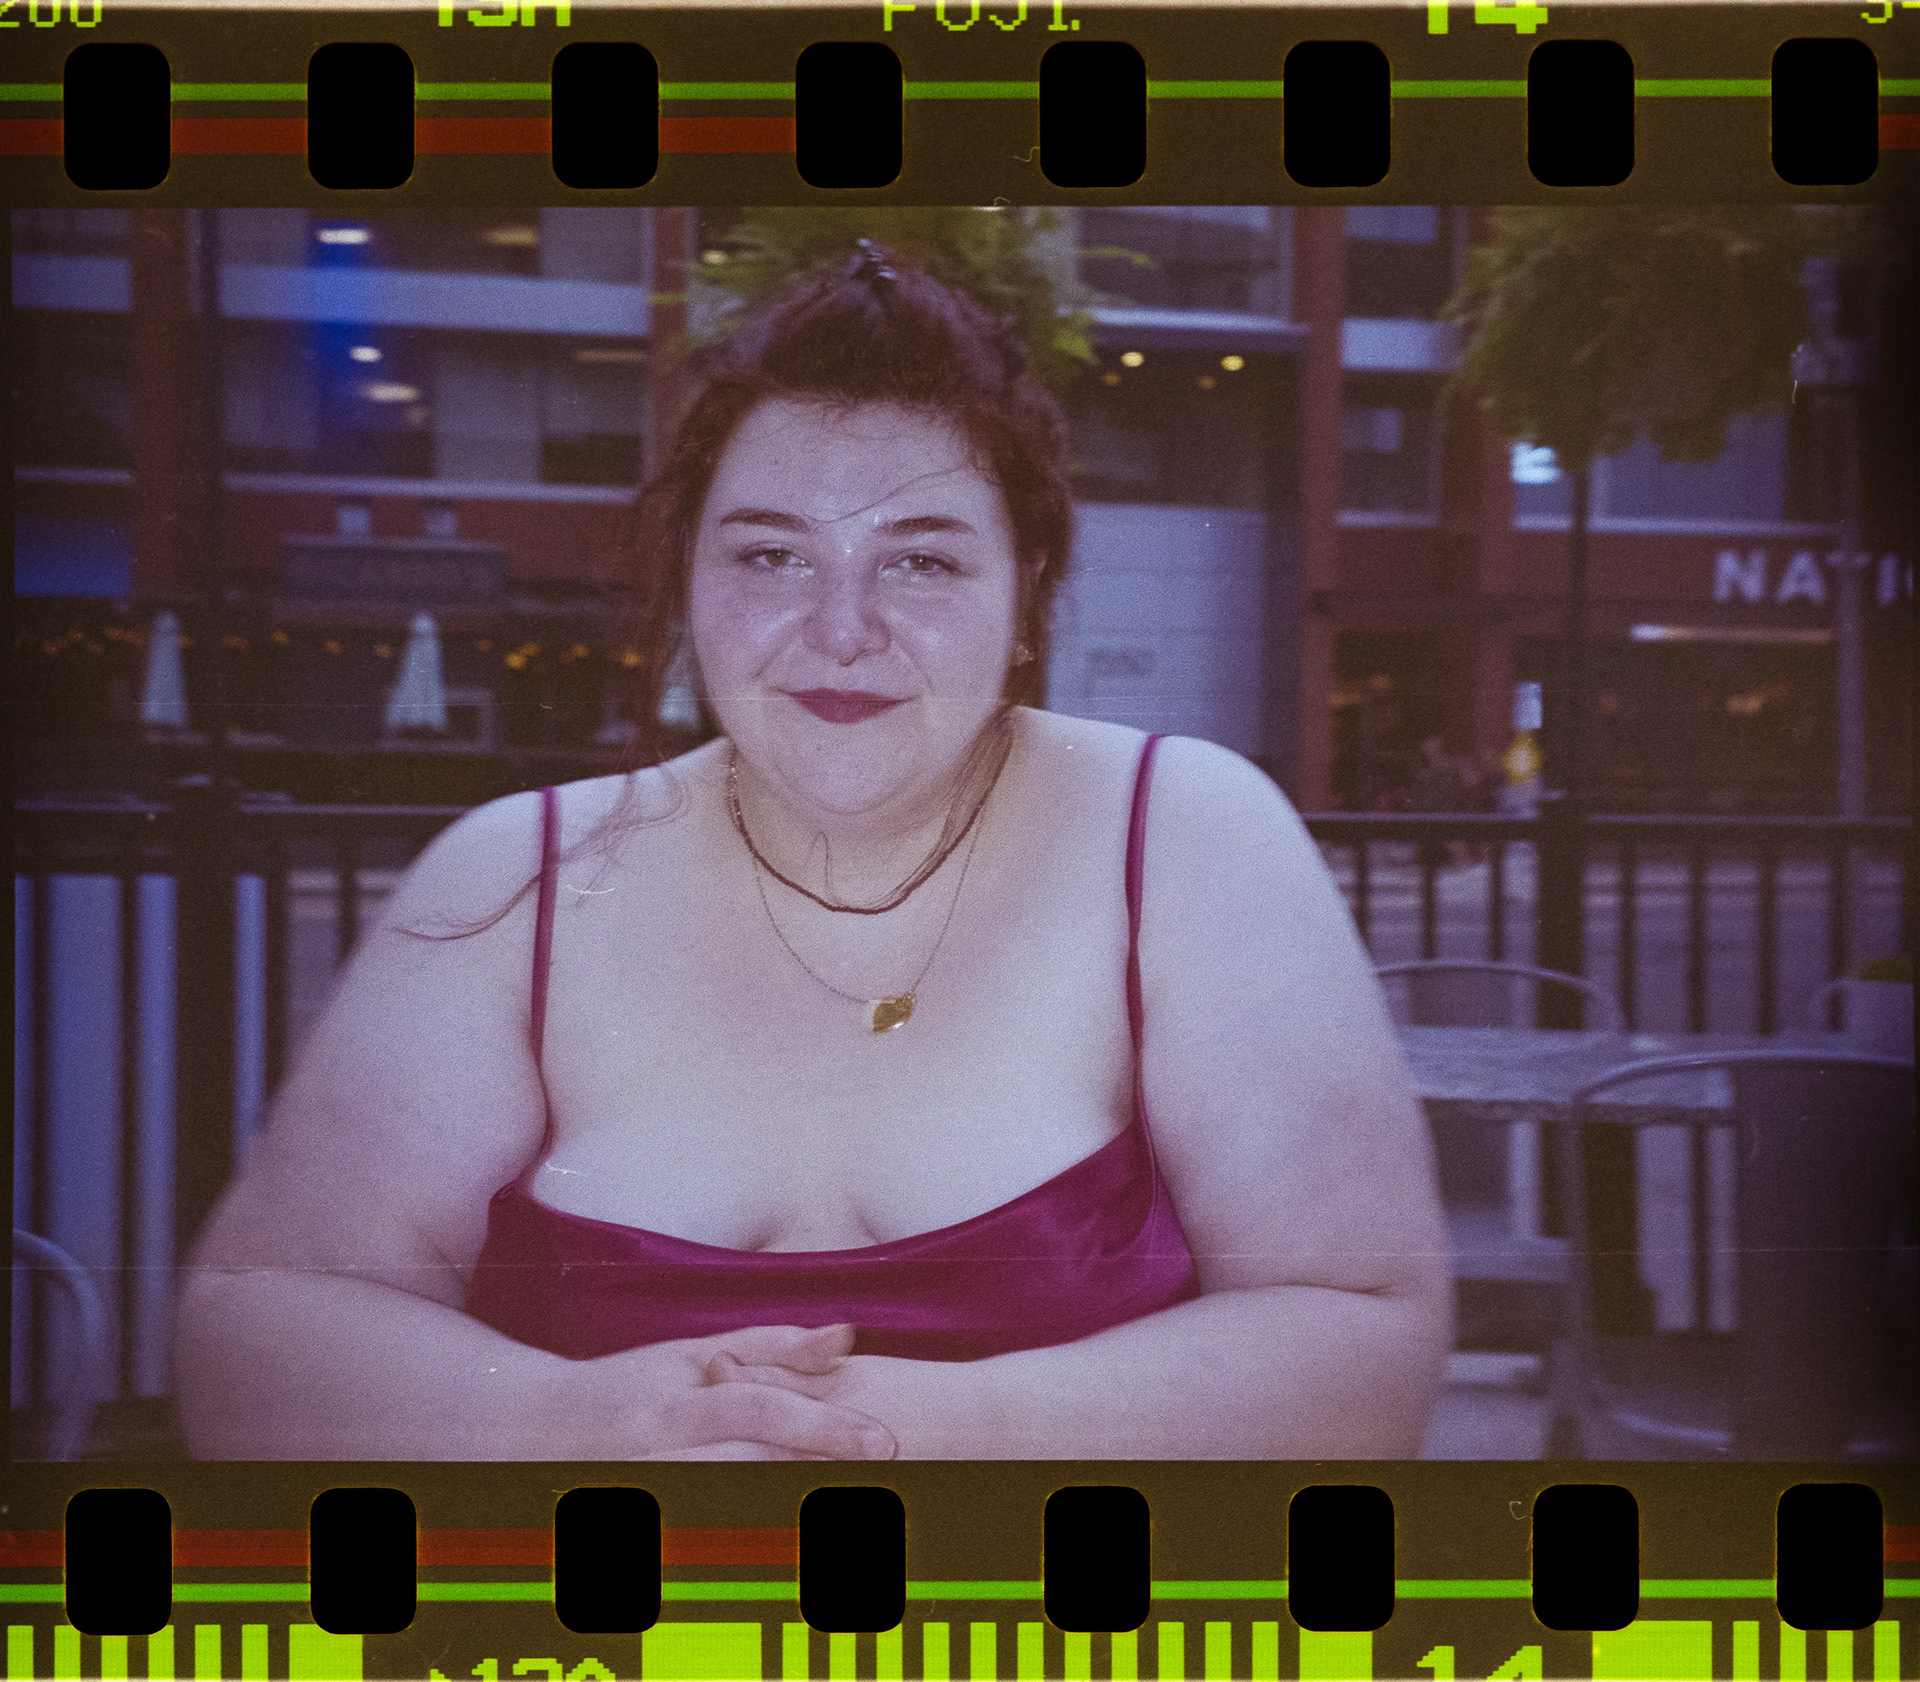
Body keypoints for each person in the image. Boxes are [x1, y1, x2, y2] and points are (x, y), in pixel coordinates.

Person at [176, 245, 1450, 1460]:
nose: (842, 628)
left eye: (922, 560)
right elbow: (252, 1333)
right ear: (689, 583)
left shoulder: (1186, 834)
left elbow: (1367, 1340)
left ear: (1026, 595)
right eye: (773, 554)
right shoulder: (516, 874)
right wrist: (563, 1422)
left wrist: (953, 1431)